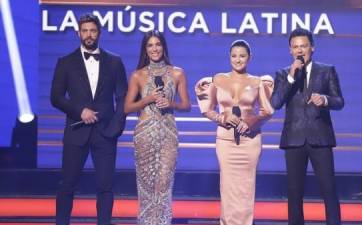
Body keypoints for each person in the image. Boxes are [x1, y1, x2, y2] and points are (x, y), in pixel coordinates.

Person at [50, 13, 128, 225]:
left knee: (105, 187)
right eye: (85, 31)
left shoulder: (114, 62)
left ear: (99, 33)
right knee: (67, 185)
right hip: (76, 131)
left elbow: (123, 97)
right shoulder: (65, 62)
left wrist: (117, 128)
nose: (89, 35)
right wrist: (79, 111)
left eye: (93, 31)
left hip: (105, 134)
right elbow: (55, 98)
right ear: (78, 33)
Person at [195, 40, 274, 225]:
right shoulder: (217, 79)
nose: (238, 60)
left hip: (250, 141)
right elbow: (207, 109)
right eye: (234, 56)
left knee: (246, 187)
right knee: (228, 186)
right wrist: (222, 118)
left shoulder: (258, 82)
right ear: (229, 57)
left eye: (242, 56)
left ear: (249, 58)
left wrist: (251, 122)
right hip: (225, 141)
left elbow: (267, 112)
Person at [271, 28, 344, 225]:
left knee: (329, 189)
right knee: (294, 193)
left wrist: (326, 99)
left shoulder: (327, 70)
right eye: (295, 47)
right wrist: (291, 77)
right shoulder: (283, 74)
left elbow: (340, 101)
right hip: (294, 139)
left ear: (312, 47)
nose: (299, 50)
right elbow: (275, 103)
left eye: (303, 46)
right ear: (290, 50)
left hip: (320, 138)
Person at [124, 30, 190, 225]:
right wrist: (148, 99)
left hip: (168, 134)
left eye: (158, 44)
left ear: (163, 47)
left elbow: (186, 105)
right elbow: (127, 108)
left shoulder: (177, 73)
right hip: (145, 134)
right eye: (150, 45)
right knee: (146, 185)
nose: (155, 49)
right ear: (145, 49)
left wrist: (171, 104)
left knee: (163, 183)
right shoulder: (138, 75)